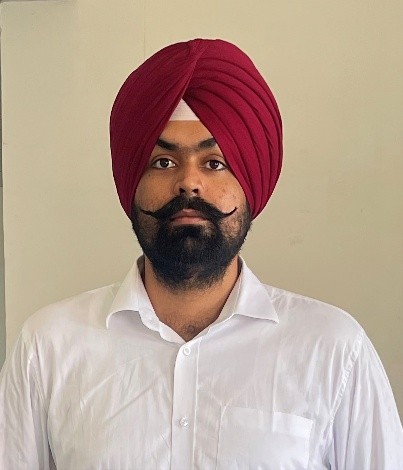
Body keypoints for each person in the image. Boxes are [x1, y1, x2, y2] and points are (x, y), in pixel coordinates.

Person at [0, 38, 402, 470]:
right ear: (131, 183)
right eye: (163, 162)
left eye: (214, 163)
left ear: (250, 186)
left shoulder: (334, 349)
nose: (189, 183)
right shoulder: (48, 346)